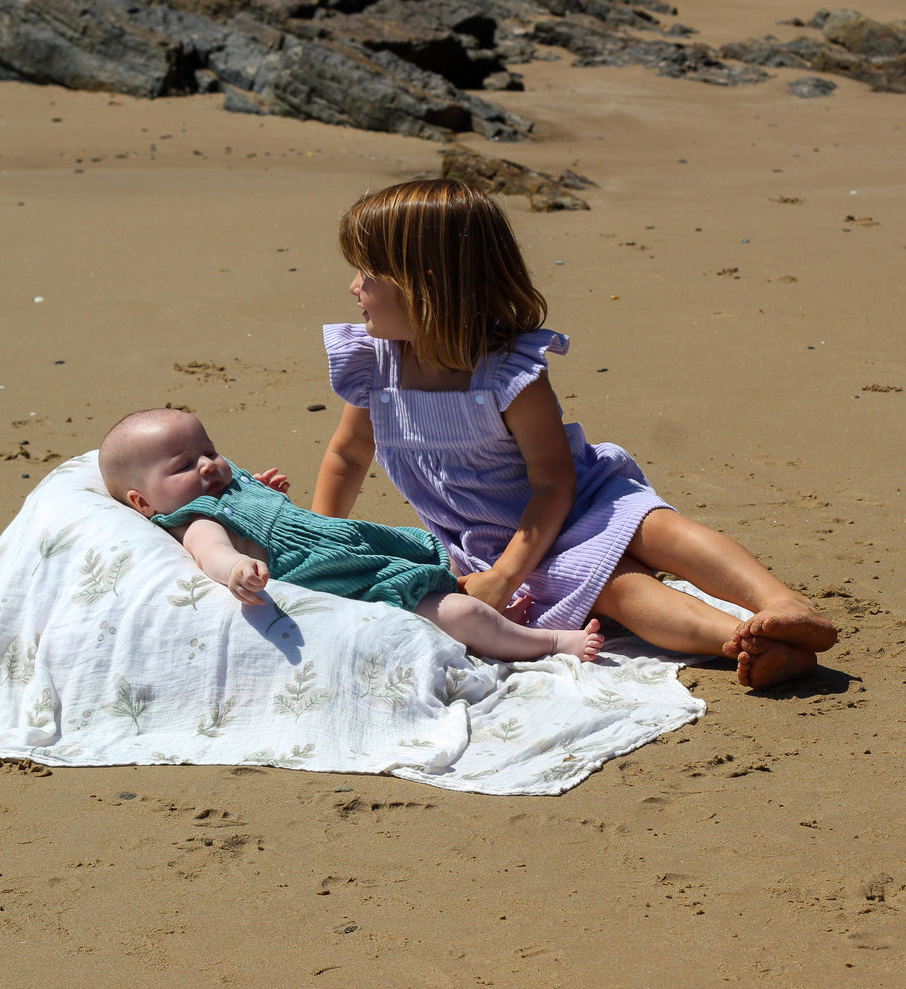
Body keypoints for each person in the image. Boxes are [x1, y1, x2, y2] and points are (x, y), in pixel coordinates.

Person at [312, 178, 837, 690]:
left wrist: (506, 580)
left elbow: (553, 481)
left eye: (370, 272)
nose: (354, 286)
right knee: (616, 590)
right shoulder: (375, 366)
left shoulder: (509, 372)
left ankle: (785, 605)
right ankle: (749, 643)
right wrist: (318, 543)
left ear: (428, 283)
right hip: (495, 539)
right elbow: (347, 455)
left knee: (659, 530)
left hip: (576, 501)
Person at [98, 408, 604, 663]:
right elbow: (211, 552)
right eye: (185, 464)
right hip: (343, 579)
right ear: (143, 504)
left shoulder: (230, 484)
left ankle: (496, 619)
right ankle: (549, 642)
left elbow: (268, 514)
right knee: (458, 612)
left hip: (351, 543)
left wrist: (266, 494)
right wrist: (237, 571)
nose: (209, 465)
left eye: (209, 449)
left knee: (442, 566)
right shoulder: (199, 519)